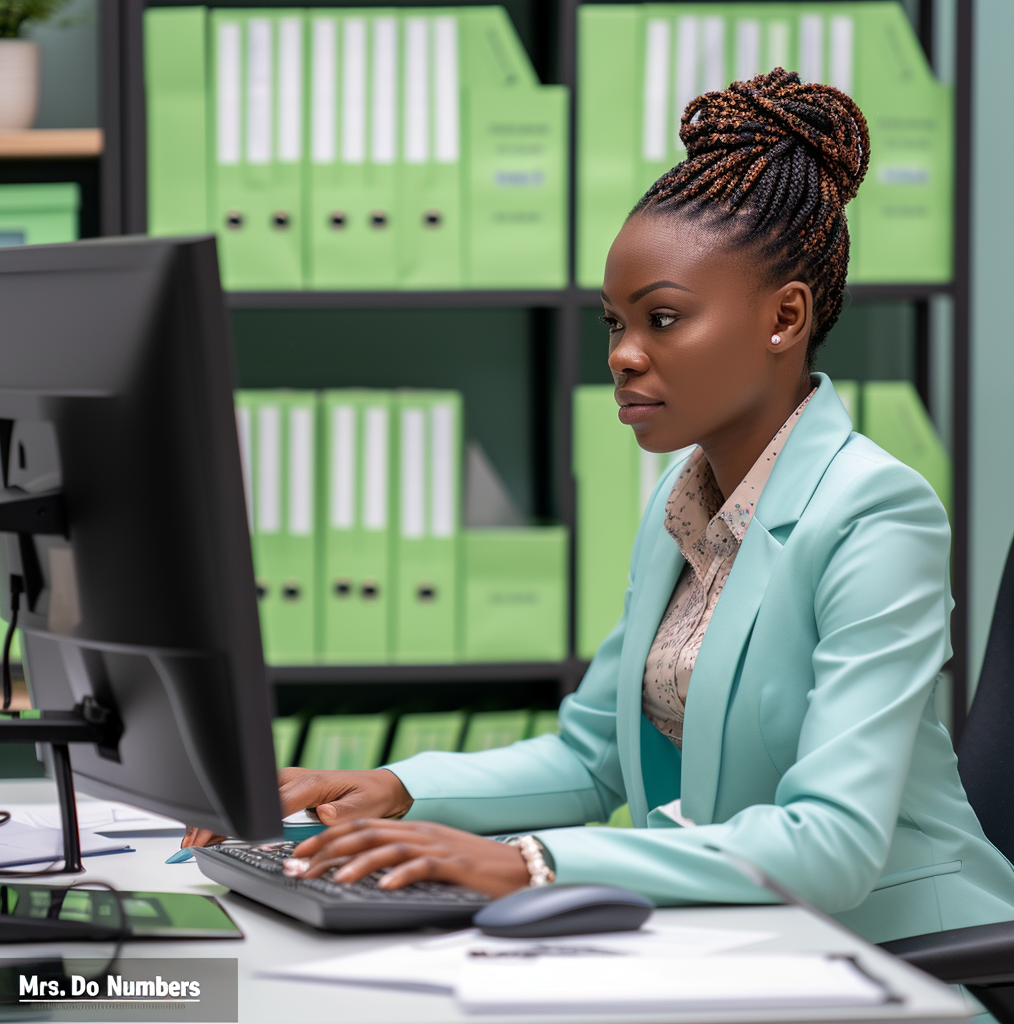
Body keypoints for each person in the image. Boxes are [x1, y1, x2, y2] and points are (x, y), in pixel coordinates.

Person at [187, 69, 1014, 968]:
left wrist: (530, 864)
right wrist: (395, 788)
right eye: (615, 323)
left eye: (664, 319)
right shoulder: (684, 497)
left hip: (902, 958)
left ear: (786, 316)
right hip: (744, 943)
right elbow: (592, 761)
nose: (624, 355)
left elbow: (832, 843)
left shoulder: (875, 513)